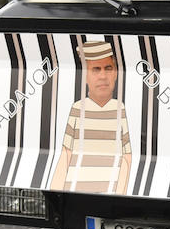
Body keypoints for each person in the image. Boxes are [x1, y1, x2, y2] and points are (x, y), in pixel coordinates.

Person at [49, 40, 131, 194]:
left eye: (108, 69)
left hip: (110, 193)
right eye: (95, 70)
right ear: (85, 76)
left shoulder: (120, 109)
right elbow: (66, 155)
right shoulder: (77, 109)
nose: (102, 76)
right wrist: (55, 193)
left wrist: (121, 194)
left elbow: (127, 157)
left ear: (115, 74)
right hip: (75, 191)